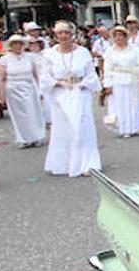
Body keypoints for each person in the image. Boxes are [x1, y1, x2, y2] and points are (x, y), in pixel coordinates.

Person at [38, 21, 102, 177]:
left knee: (82, 126)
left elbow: (91, 74)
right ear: (55, 35)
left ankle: (87, 163)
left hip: (80, 92)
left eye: (66, 32)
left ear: (72, 34)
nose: (63, 36)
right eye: (60, 33)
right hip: (60, 94)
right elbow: (45, 77)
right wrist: (59, 83)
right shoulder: (49, 54)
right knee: (64, 128)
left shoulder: (83, 52)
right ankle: (65, 162)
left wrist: (83, 84)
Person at [0, 34, 45, 148]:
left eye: (20, 44)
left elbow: (36, 74)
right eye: (15, 44)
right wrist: (2, 95)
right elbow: (2, 78)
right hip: (13, 89)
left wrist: (40, 90)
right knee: (18, 115)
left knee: (33, 112)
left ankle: (36, 136)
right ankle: (24, 138)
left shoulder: (29, 57)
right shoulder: (5, 59)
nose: (18, 46)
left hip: (29, 87)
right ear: (11, 46)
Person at [104, 26, 139, 138]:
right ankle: (123, 128)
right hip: (117, 81)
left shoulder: (134, 49)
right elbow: (107, 68)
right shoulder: (110, 51)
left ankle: (134, 127)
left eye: (121, 35)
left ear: (125, 36)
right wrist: (107, 84)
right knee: (120, 105)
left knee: (133, 104)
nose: (119, 38)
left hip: (133, 80)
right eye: (116, 35)